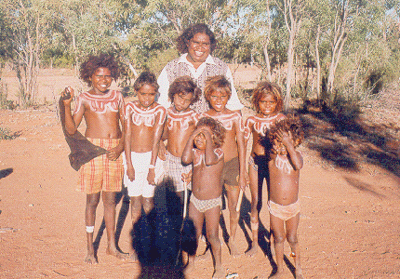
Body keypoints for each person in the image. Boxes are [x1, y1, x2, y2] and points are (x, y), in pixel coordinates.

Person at [61, 53, 126, 264]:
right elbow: (72, 129)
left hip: (114, 151)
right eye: (99, 76)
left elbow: (128, 127)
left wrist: (120, 146)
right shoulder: (84, 99)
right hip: (92, 151)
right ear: (90, 76)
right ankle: (90, 248)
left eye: (108, 76)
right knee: (92, 201)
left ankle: (111, 246)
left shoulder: (117, 97)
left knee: (110, 201)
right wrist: (66, 105)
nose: (104, 80)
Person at [123, 72, 167, 261]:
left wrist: (152, 168)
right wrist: (129, 164)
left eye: (151, 94)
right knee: (135, 201)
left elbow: (156, 140)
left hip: (151, 158)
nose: (147, 98)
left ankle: (151, 242)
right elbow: (126, 136)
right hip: (132, 157)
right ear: (136, 92)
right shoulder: (129, 108)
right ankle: (137, 243)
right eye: (143, 94)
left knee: (149, 201)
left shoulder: (160, 110)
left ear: (156, 93)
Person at [202, 75, 247, 256]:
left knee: (234, 204)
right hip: (213, 166)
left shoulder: (235, 116)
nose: (218, 101)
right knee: (211, 206)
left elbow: (242, 145)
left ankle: (232, 239)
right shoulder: (204, 117)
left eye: (222, 97)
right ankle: (212, 242)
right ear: (208, 97)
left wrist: (242, 172)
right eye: (214, 96)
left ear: (228, 97)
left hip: (232, 164)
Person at [157, 23, 244, 114]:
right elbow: (162, 104)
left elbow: (233, 104)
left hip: (212, 125)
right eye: (196, 42)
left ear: (210, 45)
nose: (200, 48)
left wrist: (239, 126)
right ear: (187, 42)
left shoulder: (221, 68)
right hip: (180, 125)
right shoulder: (171, 68)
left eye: (205, 44)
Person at [181, 117, 226, 279]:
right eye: (198, 135)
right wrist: (192, 136)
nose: (200, 138)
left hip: (212, 202)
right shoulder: (194, 152)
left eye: (205, 135)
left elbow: (208, 161)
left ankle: (219, 266)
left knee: (212, 235)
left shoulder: (218, 152)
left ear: (214, 137)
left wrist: (206, 138)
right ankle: (191, 263)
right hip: (195, 200)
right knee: (193, 233)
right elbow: (185, 160)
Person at [244, 81, 285, 256]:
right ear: (256, 102)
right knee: (255, 202)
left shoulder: (281, 119)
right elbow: (244, 144)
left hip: (274, 166)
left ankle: (273, 239)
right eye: (263, 102)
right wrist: (243, 170)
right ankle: (254, 242)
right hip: (255, 164)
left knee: (273, 203)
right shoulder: (251, 120)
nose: (267, 106)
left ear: (278, 102)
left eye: (271, 102)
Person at [265, 115, 304, 279]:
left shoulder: (297, 157)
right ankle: (280, 269)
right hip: (275, 208)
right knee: (279, 237)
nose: (282, 146)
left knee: (292, 237)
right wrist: (277, 146)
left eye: (287, 142)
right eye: (278, 141)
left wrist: (288, 145)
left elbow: (298, 164)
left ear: (295, 142)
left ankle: (298, 268)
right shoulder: (272, 158)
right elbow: (272, 153)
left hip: (292, 208)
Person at [159, 76, 201, 200]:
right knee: (173, 197)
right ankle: (174, 219)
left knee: (190, 197)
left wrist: (196, 164)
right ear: (173, 95)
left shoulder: (194, 117)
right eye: (180, 97)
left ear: (192, 101)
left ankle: (190, 219)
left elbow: (202, 139)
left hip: (189, 160)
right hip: (171, 160)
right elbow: (163, 135)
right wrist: (160, 142)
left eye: (187, 100)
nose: (182, 103)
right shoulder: (167, 113)